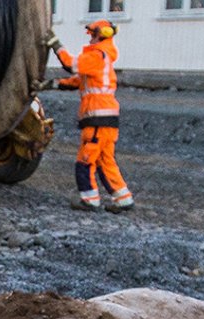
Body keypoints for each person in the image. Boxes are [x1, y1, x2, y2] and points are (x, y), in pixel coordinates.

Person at [39, 20, 134, 213]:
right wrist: (51, 84)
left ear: (100, 34)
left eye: (92, 34)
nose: (90, 38)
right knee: (105, 160)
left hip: (97, 118)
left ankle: (90, 200)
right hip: (108, 119)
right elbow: (77, 81)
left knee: (85, 160)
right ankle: (123, 199)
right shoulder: (104, 57)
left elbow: (70, 65)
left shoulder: (97, 55)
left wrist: (55, 44)